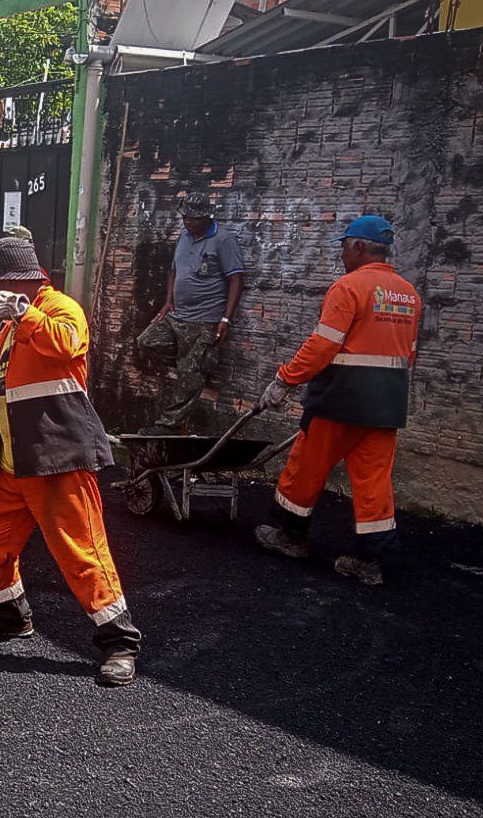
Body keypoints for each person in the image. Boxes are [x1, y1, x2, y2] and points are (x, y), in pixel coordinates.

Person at [0, 236, 143, 686]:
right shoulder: (5, 336)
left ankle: (119, 643)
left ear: (21, 281)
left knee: (79, 548)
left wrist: (24, 312)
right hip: (9, 462)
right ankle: (8, 614)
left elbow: (67, 346)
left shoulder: (60, 310)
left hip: (57, 457)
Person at [252, 215, 422, 585]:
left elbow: (322, 345)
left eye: (344, 245)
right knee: (374, 481)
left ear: (358, 246)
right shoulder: (407, 293)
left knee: (305, 467)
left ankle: (291, 537)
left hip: (340, 401)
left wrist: (285, 379)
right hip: (386, 405)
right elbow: (409, 353)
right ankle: (370, 563)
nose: (342, 252)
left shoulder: (349, 287)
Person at [135, 191, 245, 432]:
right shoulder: (184, 236)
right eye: (185, 217)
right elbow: (174, 270)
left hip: (205, 320)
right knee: (146, 341)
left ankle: (168, 426)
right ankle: (194, 363)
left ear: (207, 217)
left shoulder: (223, 240)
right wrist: (168, 301)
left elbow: (236, 278)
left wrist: (226, 318)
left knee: (190, 376)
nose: (187, 222)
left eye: (193, 218)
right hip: (178, 315)